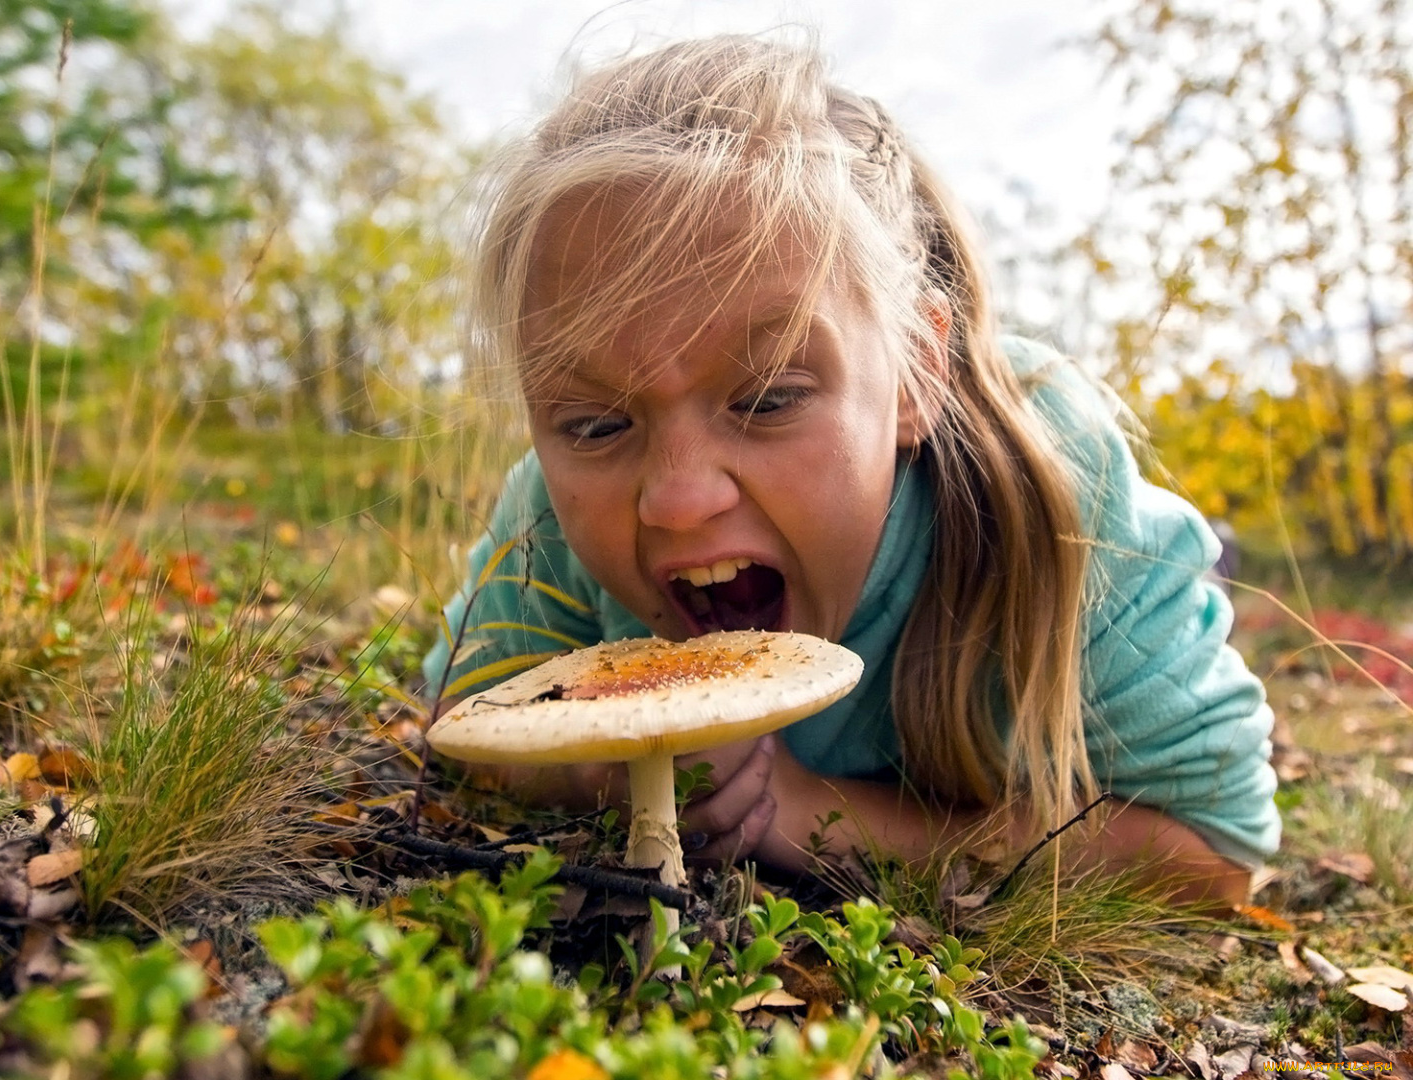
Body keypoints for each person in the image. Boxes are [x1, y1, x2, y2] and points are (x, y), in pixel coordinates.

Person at [421, 34, 1278, 907]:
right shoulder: (554, 509)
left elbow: (1218, 850)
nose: (679, 500)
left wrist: (809, 813)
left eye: (768, 399)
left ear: (916, 372)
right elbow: (462, 720)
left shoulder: (1057, 479)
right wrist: (591, 771)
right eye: (598, 423)